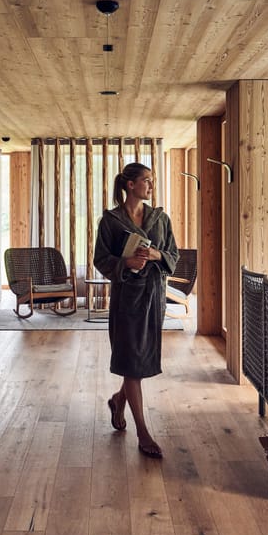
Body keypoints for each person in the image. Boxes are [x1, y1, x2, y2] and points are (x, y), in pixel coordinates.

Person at [93, 162, 179, 459]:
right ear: (130, 184)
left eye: (152, 181)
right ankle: (143, 433)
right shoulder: (111, 221)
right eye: (147, 180)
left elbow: (173, 255)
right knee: (131, 363)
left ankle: (119, 401)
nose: (151, 185)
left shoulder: (160, 218)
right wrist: (126, 263)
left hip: (153, 297)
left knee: (139, 360)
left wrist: (156, 254)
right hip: (127, 298)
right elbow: (100, 259)